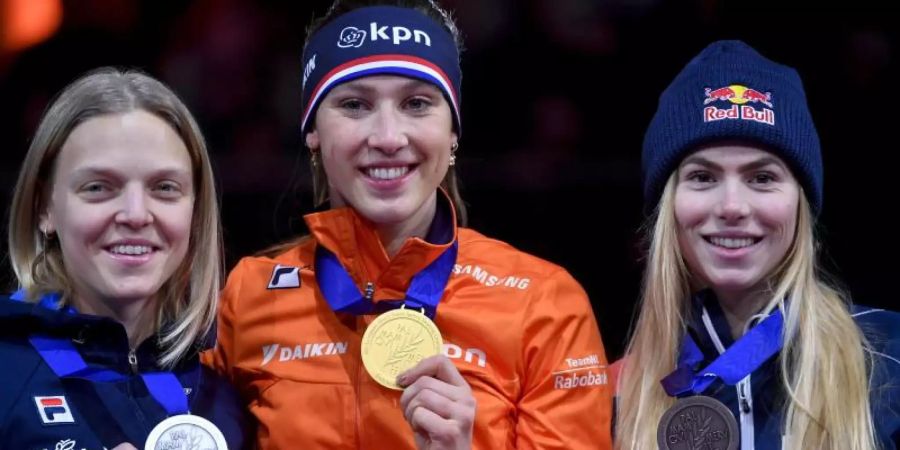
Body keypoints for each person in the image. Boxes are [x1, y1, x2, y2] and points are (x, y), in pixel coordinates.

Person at [203, 0, 613, 449]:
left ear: (452, 131)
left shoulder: (544, 303)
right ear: (313, 132)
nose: (387, 138)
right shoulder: (248, 296)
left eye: (417, 103)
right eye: (355, 105)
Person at [614, 40, 900, 450]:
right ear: (667, 209)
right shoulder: (615, 394)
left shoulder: (889, 357)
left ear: (801, 204)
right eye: (703, 177)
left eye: (762, 178)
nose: (732, 206)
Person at [1, 68, 249, 450]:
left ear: (195, 212)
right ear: (44, 209)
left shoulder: (234, 373)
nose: (135, 214)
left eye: (165, 188)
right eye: (98, 187)